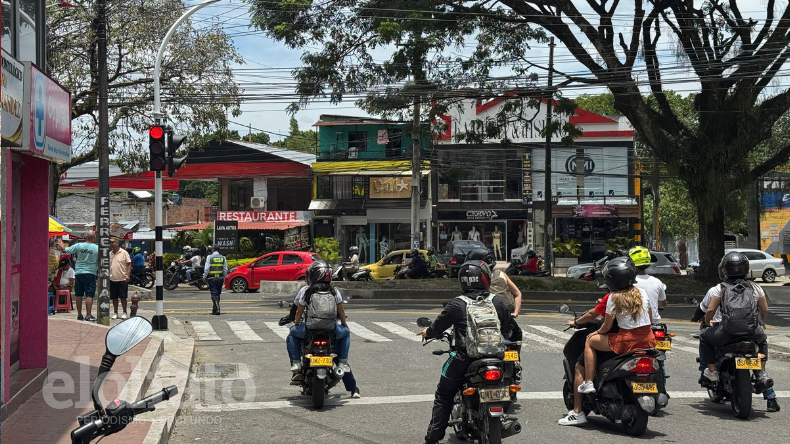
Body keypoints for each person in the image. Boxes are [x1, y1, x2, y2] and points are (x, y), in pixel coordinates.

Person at [419, 260, 509, 444]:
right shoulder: (497, 302)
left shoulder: (456, 304)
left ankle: (433, 439)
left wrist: (427, 333)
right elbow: (506, 328)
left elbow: (436, 328)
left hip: (464, 357)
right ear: (485, 279)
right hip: (496, 357)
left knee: (444, 394)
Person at [698, 252, 779, 412]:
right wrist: (758, 322)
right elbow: (765, 310)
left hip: (727, 333)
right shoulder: (756, 287)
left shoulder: (719, 288)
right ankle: (762, 373)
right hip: (751, 332)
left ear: (724, 270)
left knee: (704, 337)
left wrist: (708, 323)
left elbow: (710, 309)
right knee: (762, 341)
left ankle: (712, 371)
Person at [282, 261, 359, 398]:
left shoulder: (305, 290)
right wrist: (344, 323)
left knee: (292, 335)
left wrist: (295, 322)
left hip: (309, 330)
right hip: (330, 330)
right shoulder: (334, 291)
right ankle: (353, 388)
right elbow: (341, 310)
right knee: (340, 351)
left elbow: (298, 310)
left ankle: (297, 365)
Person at [578, 257, 655, 394]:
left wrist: (597, 333)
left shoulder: (614, 297)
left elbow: (607, 326)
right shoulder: (642, 293)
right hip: (647, 339)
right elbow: (650, 319)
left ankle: (588, 382)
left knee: (590, 341)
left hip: (626, 341)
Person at [57, 232, 99, 321]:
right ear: (94, 238)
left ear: (86, 237)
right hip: (90, 272)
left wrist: (61, 244)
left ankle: (79, 315)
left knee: (79, 295)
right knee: (89, 295)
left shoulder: (79, 245)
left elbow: (66, 250)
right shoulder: (97, 248)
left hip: (79, 272)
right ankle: (88, 315)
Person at [109, 239, 132, 319]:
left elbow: (129, 264)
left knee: (123, 297)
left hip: (122, 278)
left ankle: (124, 312)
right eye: (110, 243)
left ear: (117, 243)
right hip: (112, 278)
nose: (111, 244)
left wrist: (127, 275)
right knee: (114, 297)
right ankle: (115, 312)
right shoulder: (110, 254)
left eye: (112, 242)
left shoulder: (124, 253)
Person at [203, 245, 228, 315]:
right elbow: (225, 269)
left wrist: (204, 276)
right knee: (218, 293)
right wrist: (224, 278)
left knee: (214, 293)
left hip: (212, 278)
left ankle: (217, 308)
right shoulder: (223, 258)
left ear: (213, 249)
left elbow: (207, 268)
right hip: (220, 278)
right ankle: (214, 309)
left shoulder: (209, 257)